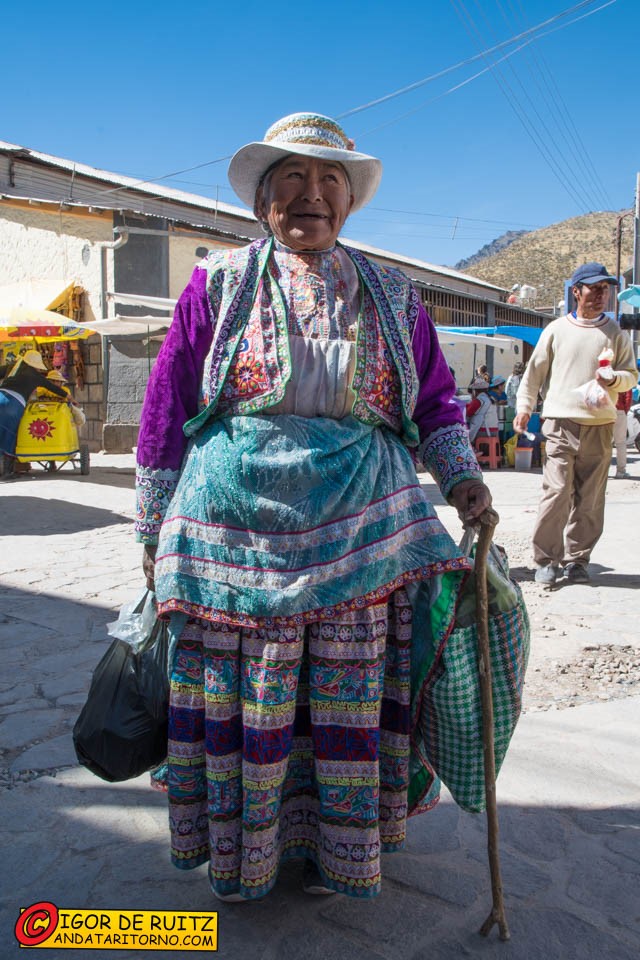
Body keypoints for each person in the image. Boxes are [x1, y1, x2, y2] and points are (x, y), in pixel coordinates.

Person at [135, 112, 492, 903]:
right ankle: (244, 853)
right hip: (236, 539)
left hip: (363, 532)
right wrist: (152, 522)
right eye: (292, 178)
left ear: (351, 202)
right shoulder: (218, 282)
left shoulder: (392, 292)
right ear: (263, 199)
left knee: (345, 693)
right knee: (247, 696)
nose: (312, 194)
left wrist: (461, 477)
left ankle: (338, 852)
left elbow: (435, 400)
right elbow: (167, 403)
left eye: (330, 179)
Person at [514, 262, 637, 587]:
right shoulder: (556, 330)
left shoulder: (615, 333)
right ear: (576, 292)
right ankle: (545, 559)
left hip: (600, 425)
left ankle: (578, 560)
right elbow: (534, 374)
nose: (599, 295)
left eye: (604, 290)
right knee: (556, 492)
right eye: (593, 289)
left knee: (591, 498)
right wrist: (524, 407)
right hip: (560, 423)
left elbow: (631, 376)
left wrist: (614, 378)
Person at [0, 350, 68, 469]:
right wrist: (69, 397)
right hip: (14, 404)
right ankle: (7, 471)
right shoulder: (35, 376)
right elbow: (52, 388)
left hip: (1, 395)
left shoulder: (12, 367)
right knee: (10, 435)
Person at [466, 376, 497, 441]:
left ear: (474, 391)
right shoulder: (491, 399)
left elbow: (468, 413)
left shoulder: (479, 400)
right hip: (494, 431)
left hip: (484, 431)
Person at [612, 388, 632, 479]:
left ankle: (602, 473)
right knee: (620, 443)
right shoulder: (624, 380)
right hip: (619, 410)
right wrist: (624, 411)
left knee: (605, 444)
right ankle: (620, 472)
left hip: (605, 411)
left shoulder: (605, 379)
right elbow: (628, 397)